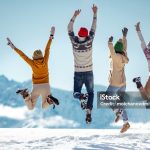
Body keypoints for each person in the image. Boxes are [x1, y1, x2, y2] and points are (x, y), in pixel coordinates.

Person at [7, 27, 59, 110]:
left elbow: (22, 55)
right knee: (44, 107)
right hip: (46, 86)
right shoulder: (45, 60)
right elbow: (47, 49)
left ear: (34, 57)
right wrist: (51, 36)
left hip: (36, 87)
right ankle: (49, 100)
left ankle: (26, 95)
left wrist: (13, 47)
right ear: (41, 56)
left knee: (31, 107)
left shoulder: (32, 63)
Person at [67, 4, 97, 124]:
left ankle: (80, 97)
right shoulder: (89, 41)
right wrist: (95, 13)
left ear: (78, 34)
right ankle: (88, 110)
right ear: (86, 35)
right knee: (91, 93)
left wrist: (74, 16)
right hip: (89, 71)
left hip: (78, 72)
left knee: (76, 93)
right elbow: (94, 27)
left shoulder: (74, 41)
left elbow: (69, 28)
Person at [107, 27, 130, 133]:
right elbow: (124, 48)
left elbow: (112, 50)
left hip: (115, 83)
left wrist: (110, 42)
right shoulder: (123, 56)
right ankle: (126, 123)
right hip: (123, 83)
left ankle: (117, 111)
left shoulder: (115, 56)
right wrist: (124, 36)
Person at [133, 22, 150, 107]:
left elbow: (142, 41)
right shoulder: (147, 53)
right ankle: (138, 82)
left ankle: (138, 82)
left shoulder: (147, 53)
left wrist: (138, 30)